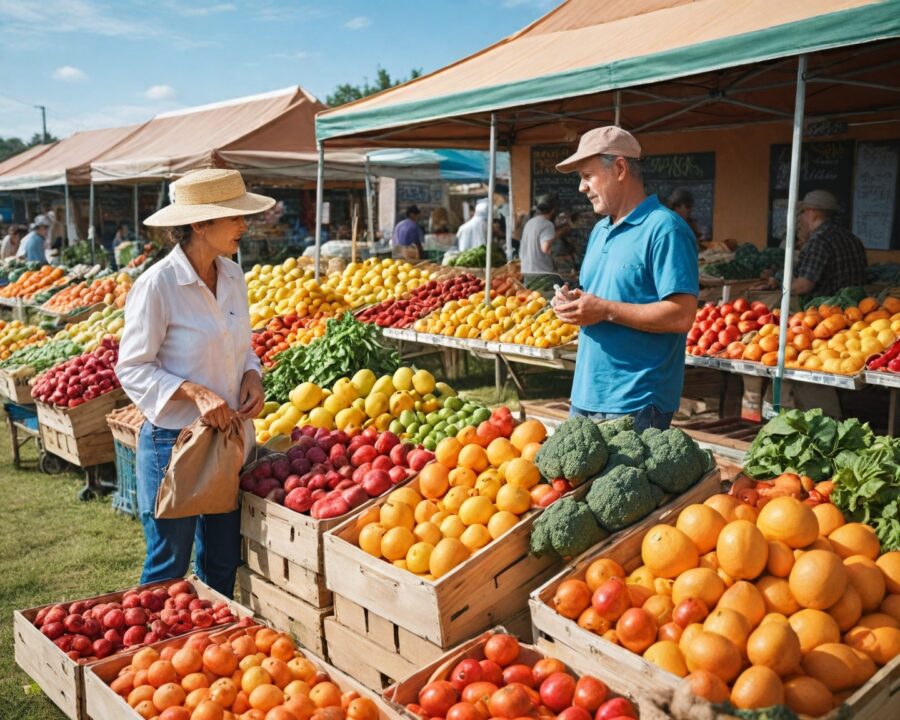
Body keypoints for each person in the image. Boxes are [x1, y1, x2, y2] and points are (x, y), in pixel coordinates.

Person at [116, 168, 271, 596]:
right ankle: (156, 637)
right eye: (234, 217)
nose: (244, 225)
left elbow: (242, 347)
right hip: (174, 442)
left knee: (222, 561)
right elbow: (132, 367)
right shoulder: (158, 285)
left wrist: (252, 375)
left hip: (227, 439)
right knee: (168, 564)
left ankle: (212, 634)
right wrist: (195, 392)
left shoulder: (234, 276)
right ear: (200, 225)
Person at [552, 126, 699, 432]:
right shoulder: (599, 230)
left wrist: (604, 309)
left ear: (620, 168)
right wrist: (573, 303)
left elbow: (682, 315)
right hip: (586, 393)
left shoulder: (665, 229)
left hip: (637, 403)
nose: (581, 187)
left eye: (587, 175)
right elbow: (603, 297)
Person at [792, 190, 867, 297]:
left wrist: (781, 286)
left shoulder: (819, 241)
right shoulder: (852, 237)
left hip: (827, 306)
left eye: (802, 212)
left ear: (813, 214)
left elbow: (803, 286)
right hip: (856, 304)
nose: (801, 217)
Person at [519, 193, 570, 282]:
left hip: (526, 271)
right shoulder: (547, 224)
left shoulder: (530, 222)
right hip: (541, 274)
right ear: (553, 210)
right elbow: (545, 247)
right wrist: (561, 232)